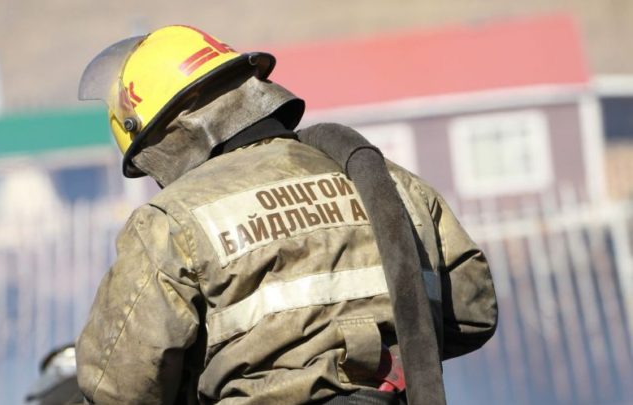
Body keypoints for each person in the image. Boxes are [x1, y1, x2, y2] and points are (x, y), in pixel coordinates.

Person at [75, 25, 497, 405]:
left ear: (163, 137)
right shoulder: (391, 182)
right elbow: (472, 309)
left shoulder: (171, 220)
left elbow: (119, 388)